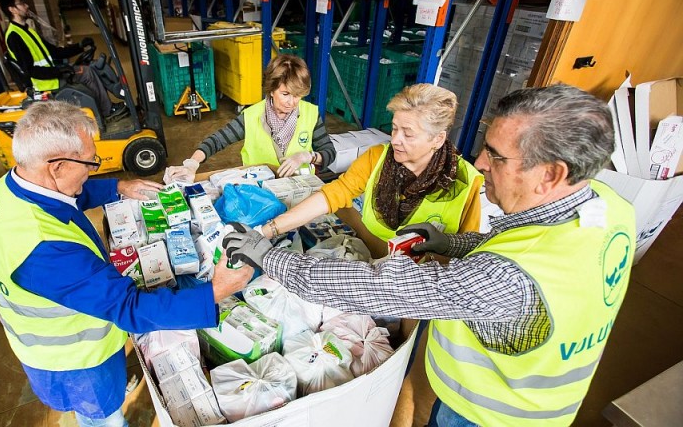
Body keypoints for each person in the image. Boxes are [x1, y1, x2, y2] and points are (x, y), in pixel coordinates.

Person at [221, 84, 636, 427]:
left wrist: (269, 256)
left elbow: (380, 286)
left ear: (551, 174)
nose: (481, 161)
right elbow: (518, 248)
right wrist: (449, 244)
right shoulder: (610, 207)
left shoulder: (503, 268)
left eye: (497, 155)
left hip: (485, 411)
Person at [0, 100, 254, 427]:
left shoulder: (12, 186)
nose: (92, 169)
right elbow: (130, 308)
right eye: (88, 163)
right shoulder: (43, 250)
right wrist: (217, 289)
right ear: (56, 166)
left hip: (74, 338)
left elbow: (66, 198)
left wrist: (117, 187)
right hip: (76, 362)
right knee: (104, 418)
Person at [258, 83, 483, 241]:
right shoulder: (377, 158)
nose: (396, 140)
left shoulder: (465, 181)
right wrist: (269, 230)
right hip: (374, 260)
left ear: (437, 139)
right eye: (394, 129)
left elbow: (466, 247)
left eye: (408, 134)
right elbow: (332, 195)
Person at [166, 54, 336, 181]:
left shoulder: (310, 114)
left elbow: (329, 153)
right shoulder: (252, 116)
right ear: (271, 89)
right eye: (285, 94)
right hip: (261, 190)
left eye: (298, 95)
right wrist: (192, 164)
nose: (292, 102)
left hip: (301, 187)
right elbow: (217, 140)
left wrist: (307, 156)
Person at [0, 0, 125, 118]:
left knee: (90, 68)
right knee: (87, 73)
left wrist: (80, 46)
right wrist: (59, 71)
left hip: (51, 76)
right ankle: (107, 111)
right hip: (46, 83)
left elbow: (55, 51)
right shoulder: (14, 36)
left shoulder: (27, 30)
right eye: (21, 3)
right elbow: (30, 70)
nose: (26, 6)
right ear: (12, 9)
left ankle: (104, 108)